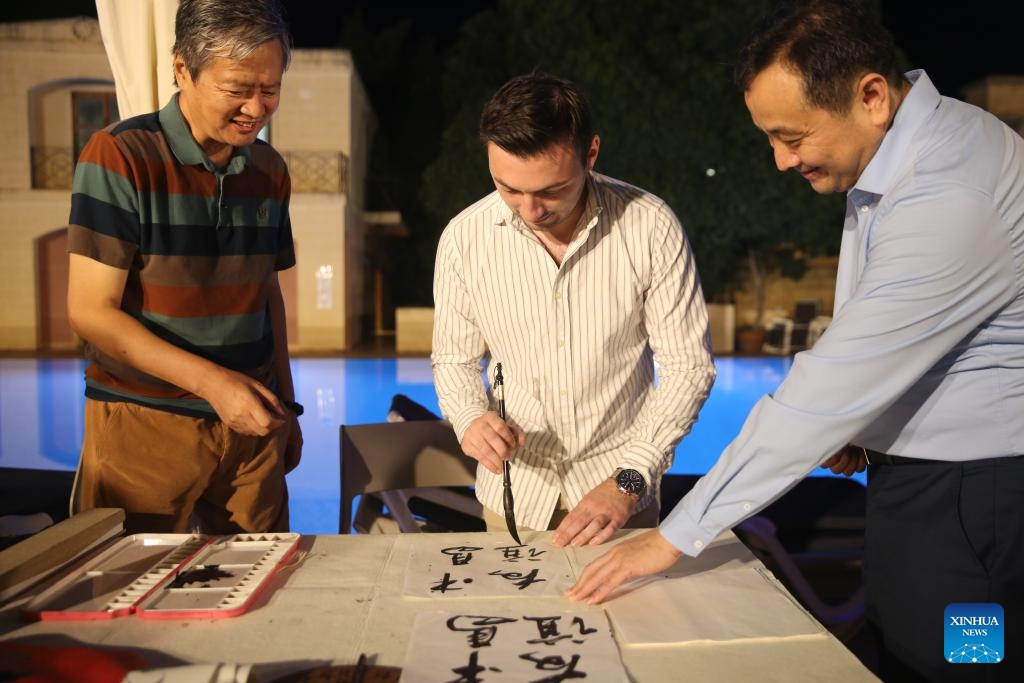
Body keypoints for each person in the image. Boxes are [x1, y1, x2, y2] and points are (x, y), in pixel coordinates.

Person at [567, 1, 1024, 681]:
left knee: (965, 662)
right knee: (904, 645)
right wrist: (867, 423)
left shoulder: (951, 191)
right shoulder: (904, 152)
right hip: (926, 486)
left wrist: (671, 538)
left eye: (791, 135)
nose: (780, 160)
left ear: (871, 94)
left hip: (970, 505)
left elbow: (822, 393)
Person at [431, 72, 715, 548]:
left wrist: (630, 480)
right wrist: (468, 418)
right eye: (508, 188)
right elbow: (454, 359)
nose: (529, 210)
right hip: (513, 494)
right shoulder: (463, 239)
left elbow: (689, 368)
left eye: (550, 190)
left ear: (591, 154)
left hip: (623, 498)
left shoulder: (650, 226)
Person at [66, 0, 302, 535]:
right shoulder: (118, 154)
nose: (256, 107)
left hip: (253, 425)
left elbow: (267, 295)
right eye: (237, 88)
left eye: (270, 89)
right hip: (143, 422)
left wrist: (285, 407)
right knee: (128, 590)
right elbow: (90, 312)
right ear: (182, 69)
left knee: (262, 582)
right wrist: (214, 384)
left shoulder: (269, 169)